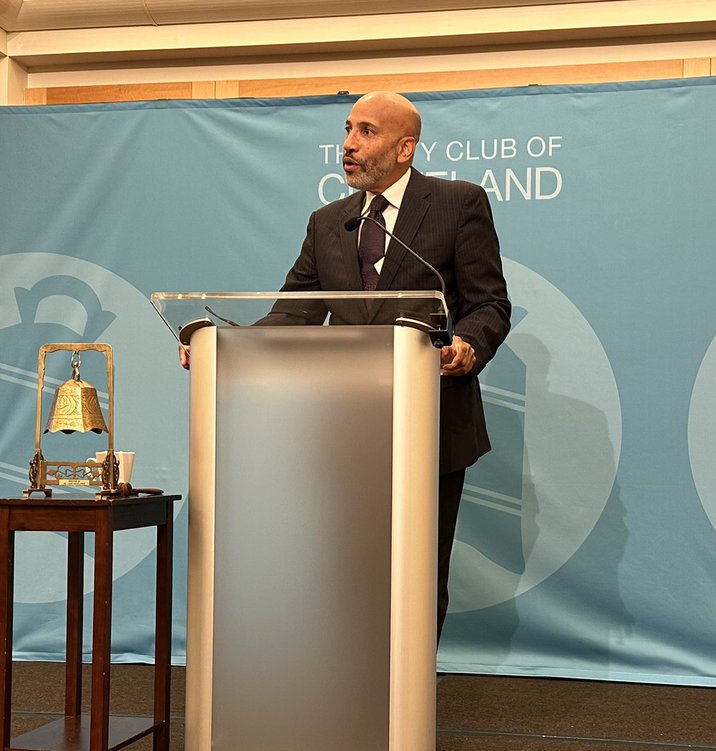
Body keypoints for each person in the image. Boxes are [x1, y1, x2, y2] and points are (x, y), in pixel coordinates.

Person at [184, 91, 511, 637]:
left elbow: (489, 304)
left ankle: (409, 689)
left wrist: (466, 346)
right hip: (343, 427)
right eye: (347, 130)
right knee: (343, 568)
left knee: (418, 570)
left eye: (366, 131)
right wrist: (224, 346)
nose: (349, 144)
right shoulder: (328, 222)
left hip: (429, 421)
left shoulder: (457, 204)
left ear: (405, 148)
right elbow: (294, 312)